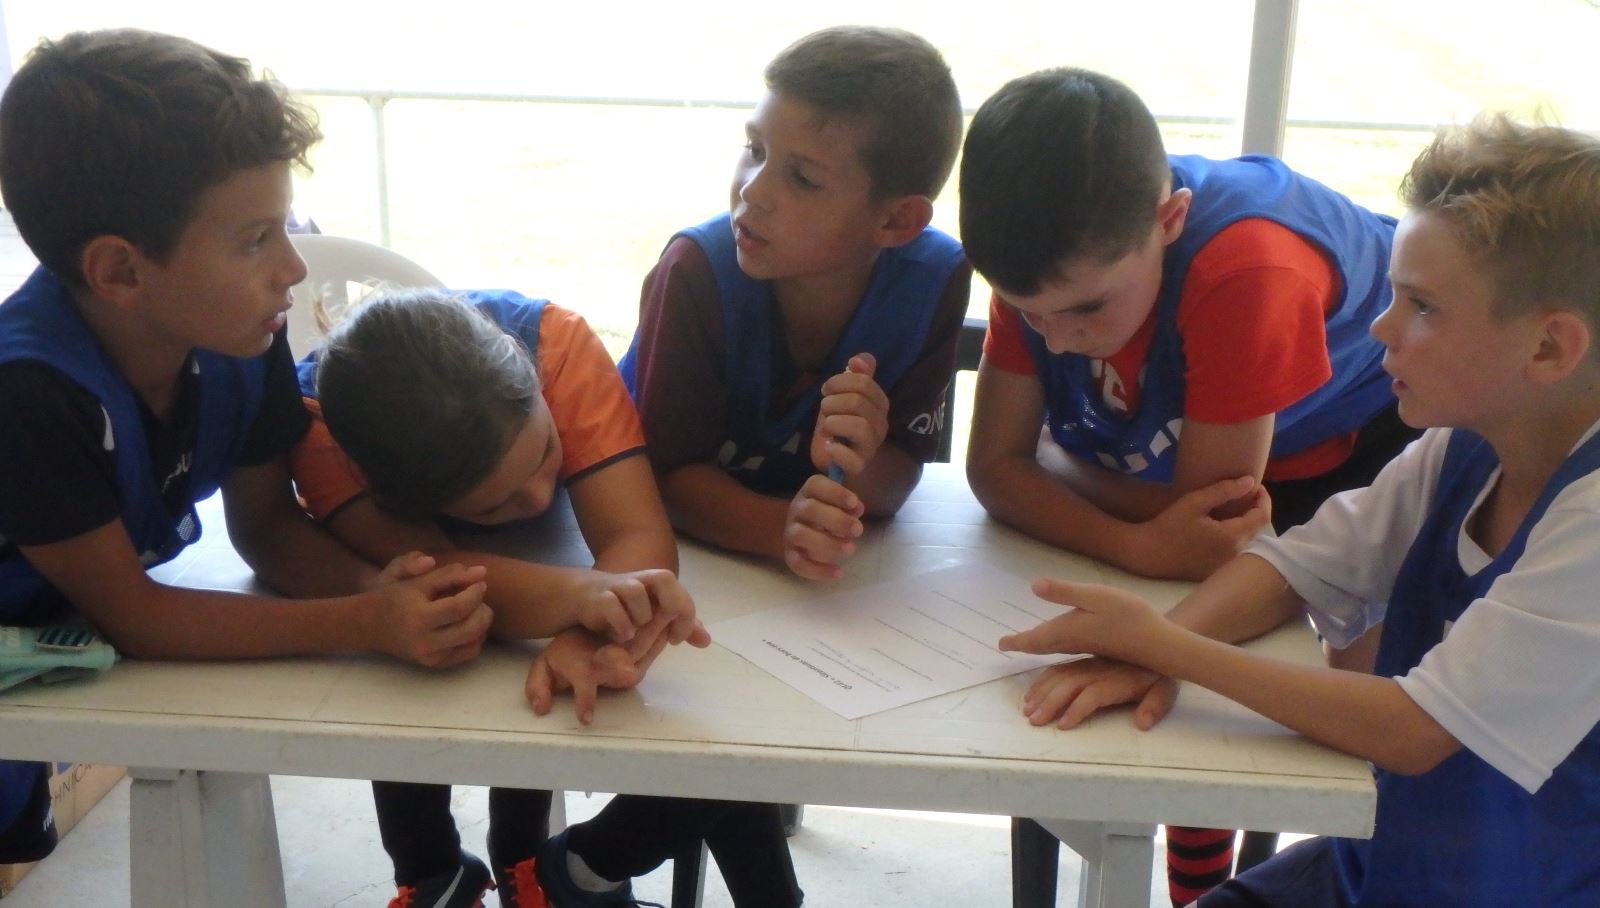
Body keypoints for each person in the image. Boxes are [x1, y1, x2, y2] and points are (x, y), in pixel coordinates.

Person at [999, 115, 1600, 907]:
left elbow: (1414, 729)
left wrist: (1164, 646)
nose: (1381, 326)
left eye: (1422, 306)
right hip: (1376, 868)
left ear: (1550, 349)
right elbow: (1298, 567)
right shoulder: (1462, 445)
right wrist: (1151, 651)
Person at [0, 30, 490, 867]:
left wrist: (382, 590)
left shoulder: (239, 333)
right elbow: (138, 617)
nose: (294, 268)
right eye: (257, 239)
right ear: (120, 271)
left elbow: (267, 527)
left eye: (286, 226)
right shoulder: (29, 395)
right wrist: (364, 623)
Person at [958, 68, 1418, 899]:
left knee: (1330, 712)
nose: (1057, 341)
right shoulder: (1050, 265)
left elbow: (1211, 528)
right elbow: (992, 468)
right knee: (1129, 652)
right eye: (1027, 312)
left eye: (1085, 311)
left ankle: (1204, 888)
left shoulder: (1250, 268)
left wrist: (1056, 471)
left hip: (1369, 440)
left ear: (1169, 221)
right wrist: (1135, 542)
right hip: (1205, 455)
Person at [292, 288, 777, 908]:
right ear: (385, 491)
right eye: (495, 506)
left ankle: (523, 869)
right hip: (437, 650)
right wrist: (588, 596)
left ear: (530, 370)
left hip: (553, 577)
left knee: (541, 695)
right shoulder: (321, 433)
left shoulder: (560, 346)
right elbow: (436, 587)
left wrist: (585, 627)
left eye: (547, 450)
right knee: (418, 673)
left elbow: (637, 535)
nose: (542, 498)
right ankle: (436, 874)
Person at [618, 25, 971, 582]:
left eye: (802, 178)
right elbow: (659, 478)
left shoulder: (933, 282)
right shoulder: (695, 272)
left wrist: (861, 460)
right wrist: (779, 529)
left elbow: (897, 475)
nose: (752, 190)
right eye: (754, 150)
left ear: (896, 220)